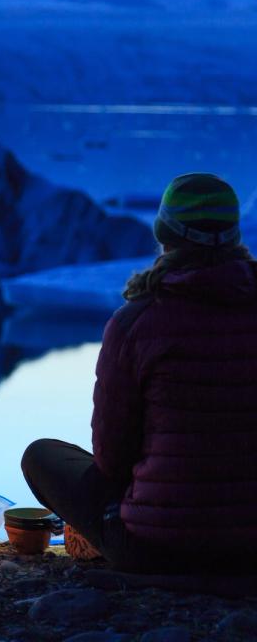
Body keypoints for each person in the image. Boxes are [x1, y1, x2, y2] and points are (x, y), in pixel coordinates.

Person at [22, 172, 257, 573]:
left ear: (166, 235)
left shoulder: (137, 321)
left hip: (156, 547)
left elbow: (112, 458)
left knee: (42, 457)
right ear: (235, 236)